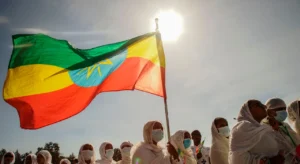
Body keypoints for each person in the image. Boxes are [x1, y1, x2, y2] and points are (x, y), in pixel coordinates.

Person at [229, 99, 285, 164]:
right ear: (248, 111)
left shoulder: (262, 129)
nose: (264, 106)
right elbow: (237, 158)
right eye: (258, 105)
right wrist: (269, 161)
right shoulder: (242, 127)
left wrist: (275, 129)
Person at [264, 98, 300, 163]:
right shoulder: (265, 128)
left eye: (284, 109)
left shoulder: (285, 125)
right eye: (280, 109)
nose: (283, 111)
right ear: (269, 111)